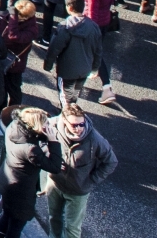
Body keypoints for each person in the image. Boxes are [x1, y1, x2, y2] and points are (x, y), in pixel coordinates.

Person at [41, 100, 116, 238]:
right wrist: (48, 155)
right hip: (55, 183)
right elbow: (39, 137)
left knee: (72, 228)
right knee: (54, 219)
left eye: (81, 124)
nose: (79, 128)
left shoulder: (95, 139)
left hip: (78, 191)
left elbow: (111, 162)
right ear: (64, 121)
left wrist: (91, 180)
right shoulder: (53, 125)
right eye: (74, 125)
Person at [0, 107, 58, 238]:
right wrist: (53, 141)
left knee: (6, 216)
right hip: (21, 193)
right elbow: (55, 166)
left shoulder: (14, 126)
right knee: (16, 226)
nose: (48, 126)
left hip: (6, 181)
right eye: (45, 124)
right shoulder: (31, 149)